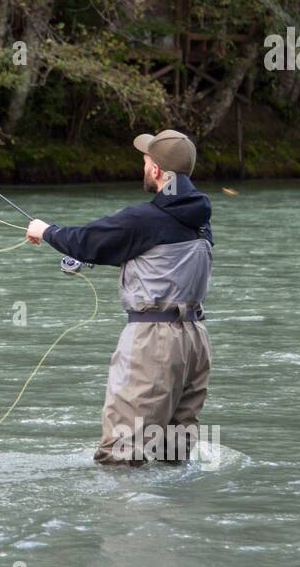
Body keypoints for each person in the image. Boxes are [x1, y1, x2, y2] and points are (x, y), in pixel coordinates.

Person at [24, 130, 213, 465]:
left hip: (153, 342)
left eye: (145, 161)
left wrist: (45, 230)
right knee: (173, 452)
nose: (143, 166)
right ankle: (175, 514)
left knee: (122, 453)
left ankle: (122, 516)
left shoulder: (144, 218)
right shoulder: (200, 220)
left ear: (156, 171)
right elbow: (156, 259)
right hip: (195, 340)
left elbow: (87, 239)